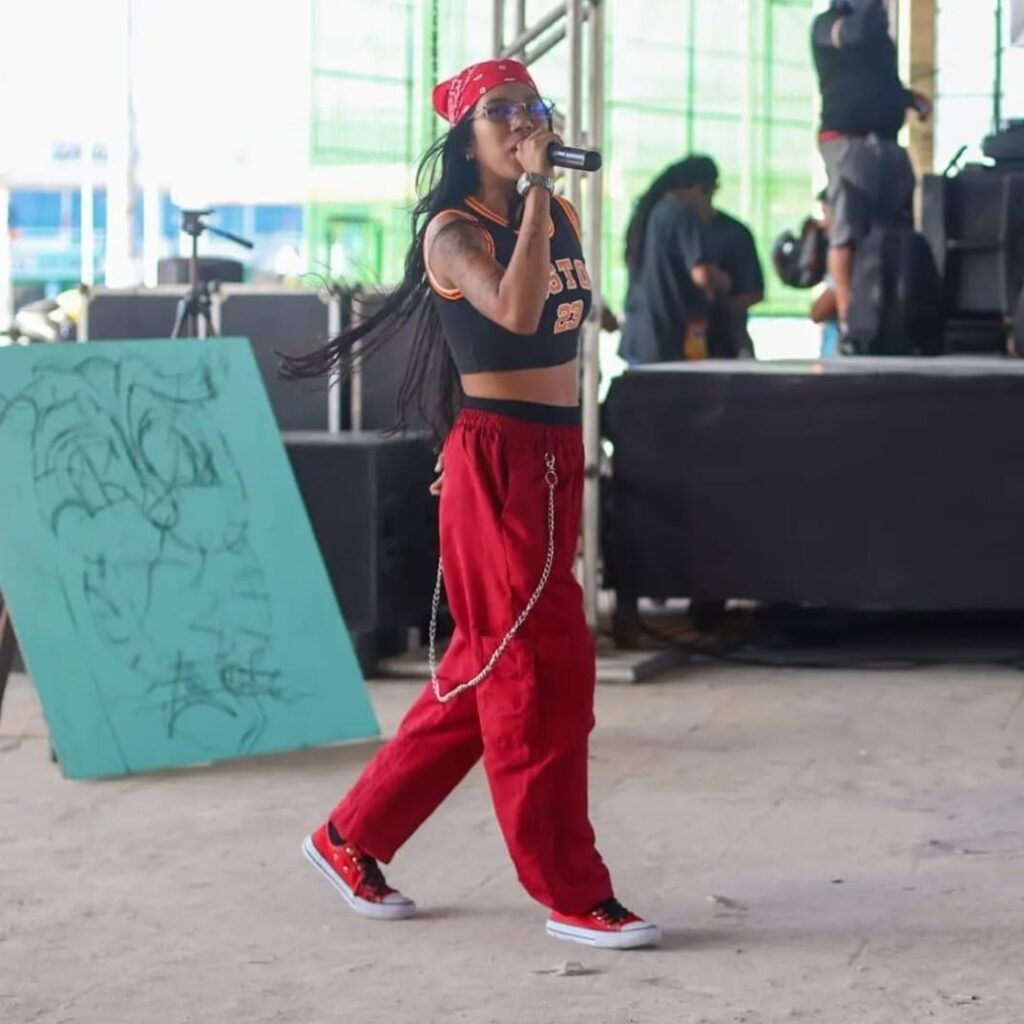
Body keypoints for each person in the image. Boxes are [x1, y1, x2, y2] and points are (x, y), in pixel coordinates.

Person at [281, 58, 661, 951]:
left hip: (549, 455)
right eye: (500, 111)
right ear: (465, 135)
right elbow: (514, 312)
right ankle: (572, 891)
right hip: (502, 461)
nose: (524, 120)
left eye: (532, 105)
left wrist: (541, 204)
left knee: (490, 667)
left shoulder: (554, 214)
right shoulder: (454, 231)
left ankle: (350, 836)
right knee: (535, 675)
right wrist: (535, 192)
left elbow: (550, 331)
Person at [811, 0, 931, 338]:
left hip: (887, 143)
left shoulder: (881, 39)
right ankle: (849, 319)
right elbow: (851, 34)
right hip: (848, 141)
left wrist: (910, 100)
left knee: (896, 228)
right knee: (848, 226)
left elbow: (880, 83)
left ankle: (893, 311)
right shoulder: (826, 25)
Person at [619, 158, 732, 364]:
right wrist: (723, 280)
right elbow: (702, 275)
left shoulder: (652, 211)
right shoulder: (683, 214)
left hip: (639, 335)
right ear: (698, 188)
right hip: (667, 340)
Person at [668, 155, 765, 359]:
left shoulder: (735, 233)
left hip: (726, 344)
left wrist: (718, 304)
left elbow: (754, 291)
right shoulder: (672, 230)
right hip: (678, 343)